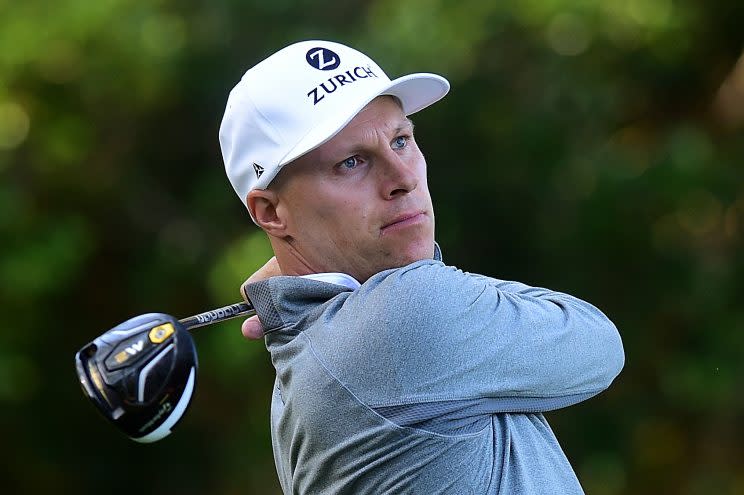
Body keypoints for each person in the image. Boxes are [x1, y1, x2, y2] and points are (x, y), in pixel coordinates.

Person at [219, 40, 624, 494]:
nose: (403, 178)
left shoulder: (302, 364)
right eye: (351, 162)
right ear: (272, 213)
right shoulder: (404, 316)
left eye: (401, 140)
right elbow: (600, 344)